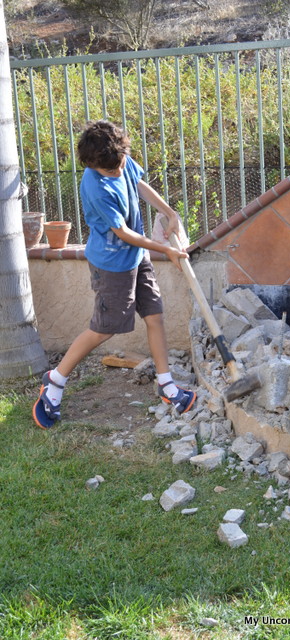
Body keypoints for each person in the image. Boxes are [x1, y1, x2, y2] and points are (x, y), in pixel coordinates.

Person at [33, 120, 196, 429]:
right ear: (95, 166)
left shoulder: (118, 158)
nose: (118, 173)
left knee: (154, 315)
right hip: (112, 265)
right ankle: (54, 381)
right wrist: (166, 252)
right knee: (104, 329)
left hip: (136, 257)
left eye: (120, 165)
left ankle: (166, 384)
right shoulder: (96, 186)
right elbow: (122, 232)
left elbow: (138, 184)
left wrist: (170, 212)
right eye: (111, 171)